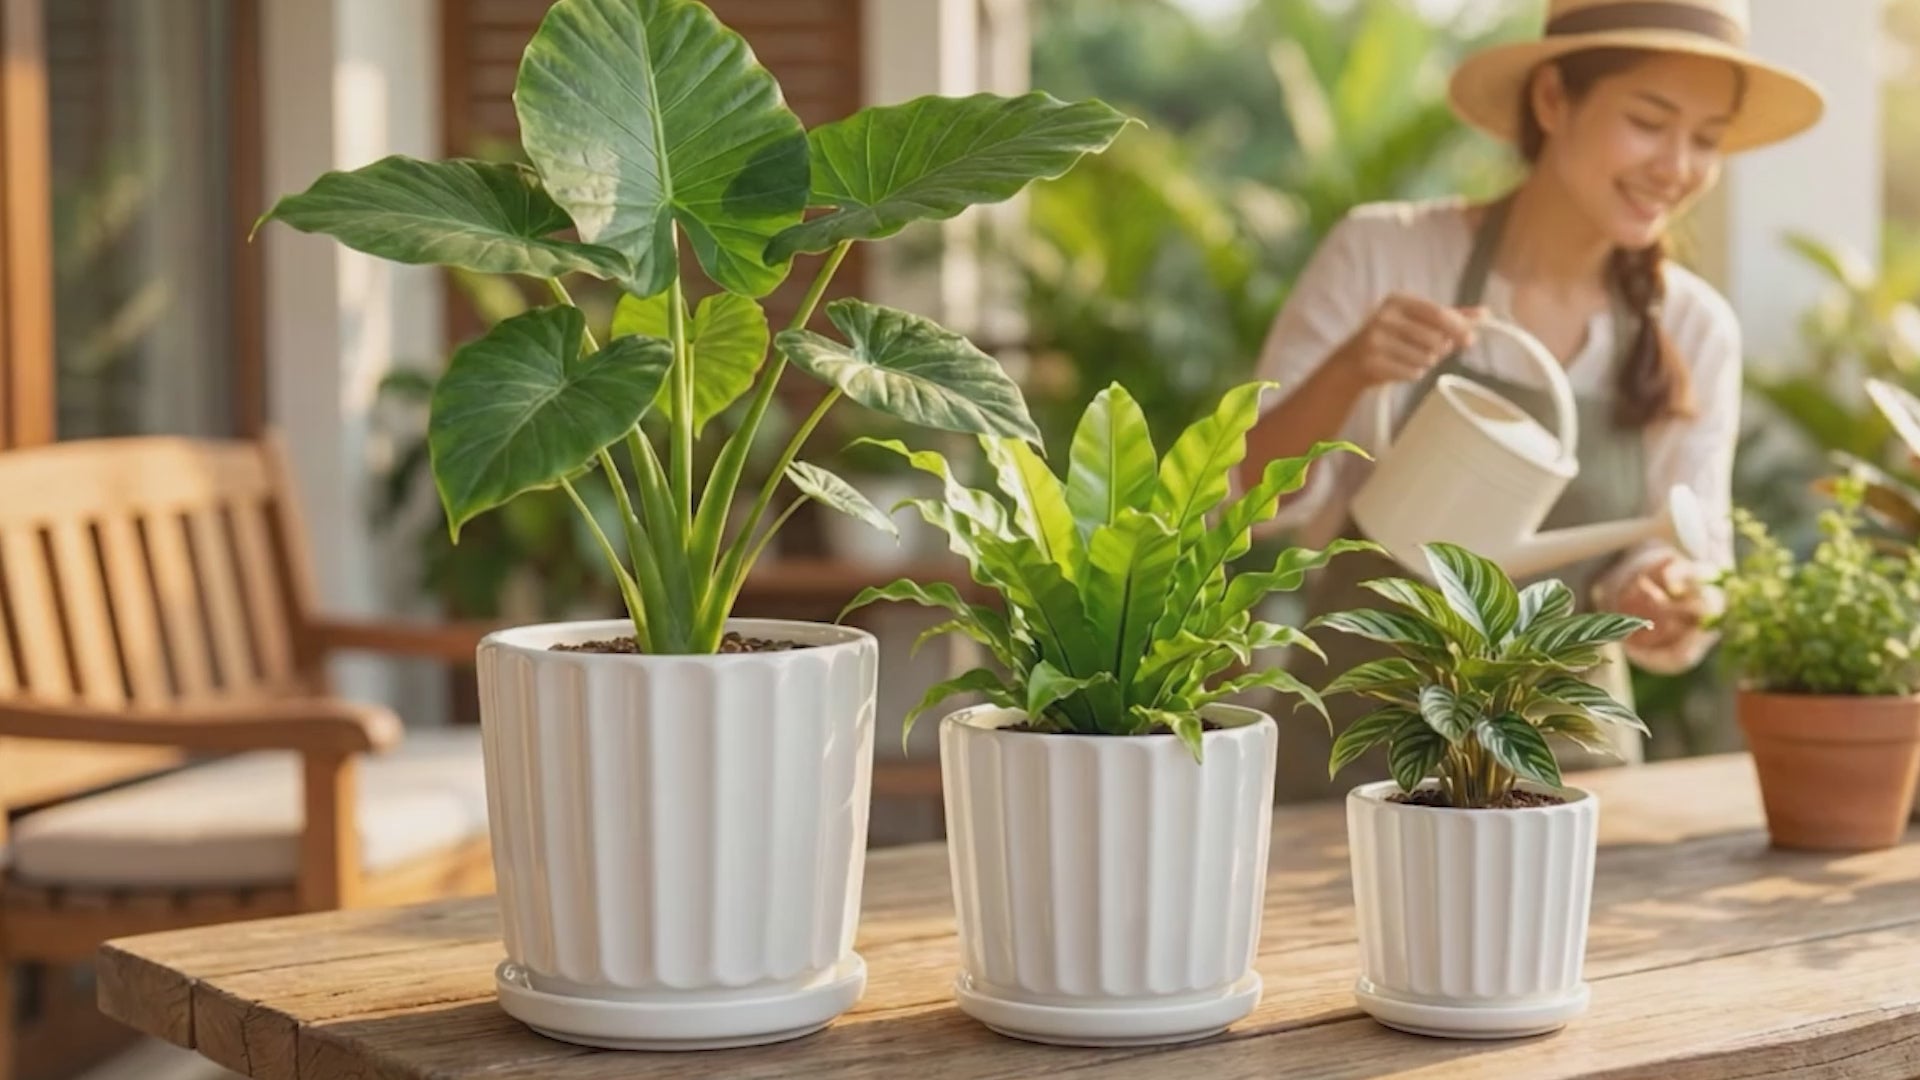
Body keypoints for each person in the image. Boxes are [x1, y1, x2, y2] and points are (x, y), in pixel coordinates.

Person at [1241, 0, 1824, 801]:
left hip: (1566, 778)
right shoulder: (1388, 253)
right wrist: (1347, 372)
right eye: (1650, 121)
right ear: (1553, 101)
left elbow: (1693, 555)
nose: (1677, 165)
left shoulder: (1692, 326)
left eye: (1706, 138)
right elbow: (1246, 498)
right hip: (1357, 757)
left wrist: (1661, 589)